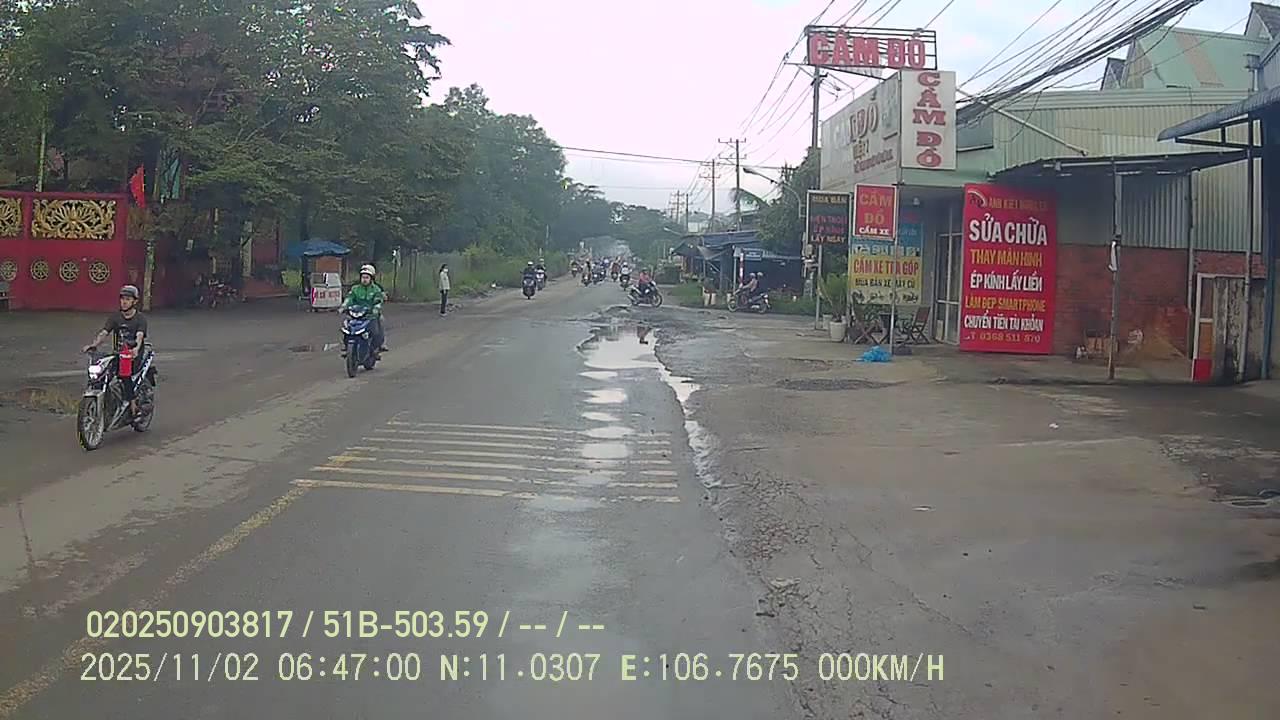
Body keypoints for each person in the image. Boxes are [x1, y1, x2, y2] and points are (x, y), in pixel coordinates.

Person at [83, 285, 151, 419]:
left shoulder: (140, 319)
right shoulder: (115, 317)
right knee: (100, 375)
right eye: (122, 299)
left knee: (125, 376)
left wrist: (135, 349)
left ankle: (133, 407)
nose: (124, 302)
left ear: (134, 301)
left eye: (128, 299)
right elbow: (104, 332)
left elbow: (139, 335)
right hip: (117, 354)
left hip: (132, 356)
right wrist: (93, 344)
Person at [340, 264, 386, 355]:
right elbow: (349, 298)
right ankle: (346, 346)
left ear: (371, 278)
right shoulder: (355, 289)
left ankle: (378, 346)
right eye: (363, 277)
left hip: (370, 315)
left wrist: (376, 308)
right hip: (356, 314)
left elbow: (378, 300)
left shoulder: (376, 289)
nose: (364, 279)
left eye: (367, 277)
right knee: (346, 327)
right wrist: (343, 306)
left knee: (379, 323)